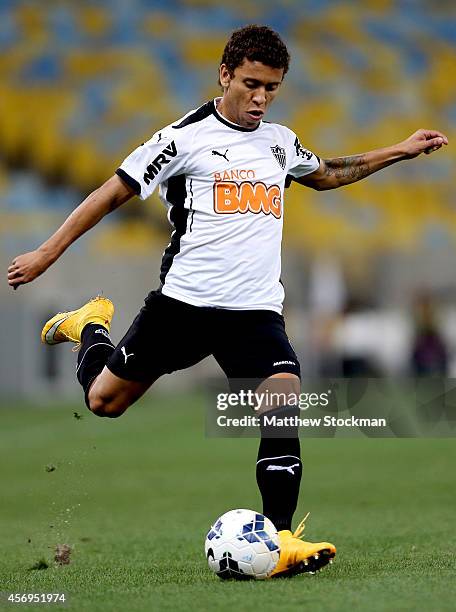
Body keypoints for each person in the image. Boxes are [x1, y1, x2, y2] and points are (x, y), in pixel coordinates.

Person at [7, 25, 448, 578]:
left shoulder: (280, 142)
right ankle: (89, 327)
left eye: (272, 88)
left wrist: (400, 151)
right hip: (183, 307)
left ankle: (282, 539)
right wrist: (48, 253)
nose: (261, 98)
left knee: (284, 396)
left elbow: (329, 173)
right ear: (225, 75)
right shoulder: (181, 139)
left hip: (254, 311)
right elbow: (111, 191)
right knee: (104, 403)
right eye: (251, 84)